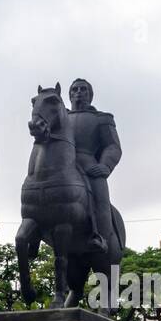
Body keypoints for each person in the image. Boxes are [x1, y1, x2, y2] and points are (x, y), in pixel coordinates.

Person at [67, 78, 122, 253]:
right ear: (69, 95)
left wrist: (105, 166)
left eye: (83, 89)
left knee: (101, 199)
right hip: (62, 165)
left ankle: (102, 238)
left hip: (89, 166)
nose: (78, 92)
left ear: (90, 95)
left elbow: (113, 146)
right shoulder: (60, 118)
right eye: (74, 90)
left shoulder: (101, 118)